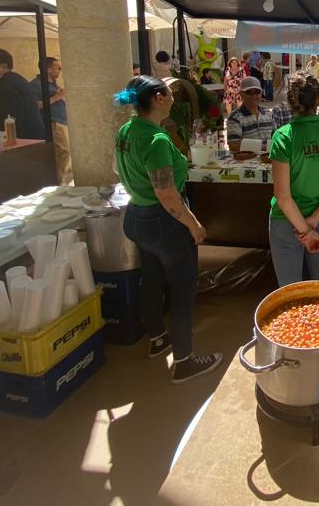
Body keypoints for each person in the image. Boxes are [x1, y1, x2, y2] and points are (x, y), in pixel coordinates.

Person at [114, 76, 221, 384]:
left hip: (137, 216)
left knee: (152, 280)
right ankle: (186, 361)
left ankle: (158, 338)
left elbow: (118, 169)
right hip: (163, 221)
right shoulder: (156, 140)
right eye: (170, 92)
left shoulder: (127, 131)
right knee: (183, 291)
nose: (176, 96)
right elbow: (166, 194)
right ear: (159, 98)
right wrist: (194, 224)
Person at [269, 72, 319, 286]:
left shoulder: (283, 136)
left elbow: (283, 197)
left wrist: (305, 230)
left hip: (286, 223)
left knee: (289, 292)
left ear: (291, 101)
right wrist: (313, 221)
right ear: (318, 100)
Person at [30, 57, 71, 185]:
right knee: (64, 152)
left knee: (64, 153)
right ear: (48, 69)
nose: (60, 70)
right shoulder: (36, 85)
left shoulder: (52, 84)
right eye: (57, 68)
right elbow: (35, 105)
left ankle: (63, 180)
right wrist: (57, 96)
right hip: (53, 123)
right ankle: (60, 182)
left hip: (61, 122)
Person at [226, 77, 275, 149]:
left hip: (267, 159)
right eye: (249, 92)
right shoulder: (235, 116)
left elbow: (276, 137)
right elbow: (233, 145)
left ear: (261, 93)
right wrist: (263, 147)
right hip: (247, 159)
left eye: (257, 92)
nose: (254, 96)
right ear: (241, 94)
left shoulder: (268, 113)